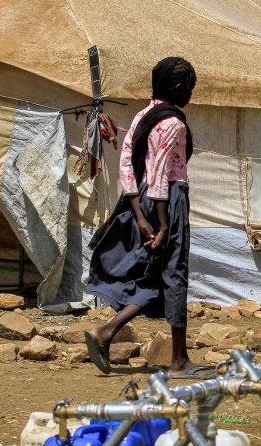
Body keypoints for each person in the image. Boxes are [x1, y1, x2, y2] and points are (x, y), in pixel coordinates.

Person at [84, 57, 197, 375]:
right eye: (189, 87)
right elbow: (162, 173)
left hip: (141, 200)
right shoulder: (174, 123)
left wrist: (140, 215)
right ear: (178, 88)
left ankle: (105, 332)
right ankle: (178, 361)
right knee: (175, 275)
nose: (190, 93)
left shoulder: (143, 115)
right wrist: (162, 223)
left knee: (153, 277)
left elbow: (126, 163)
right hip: (167, 200)